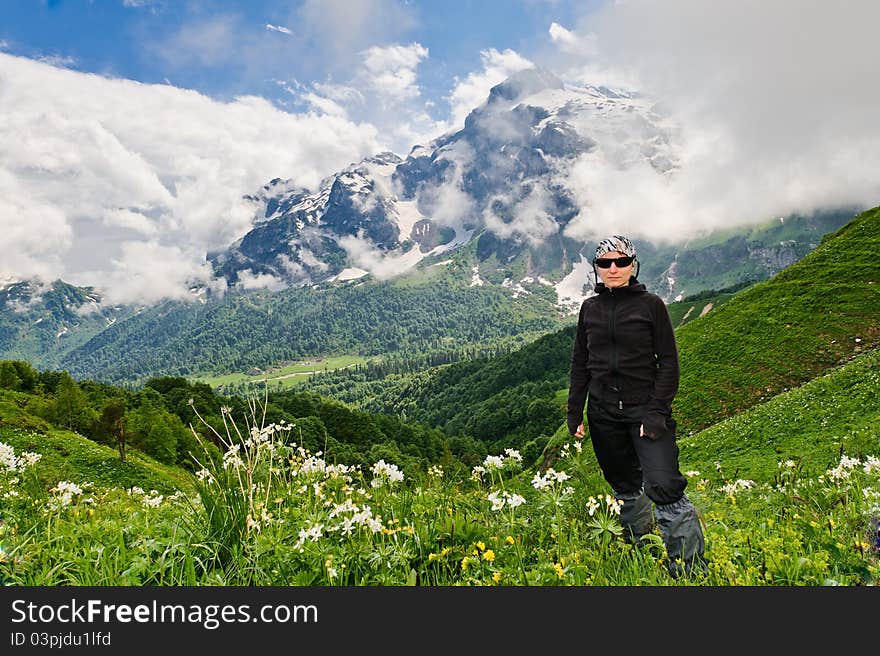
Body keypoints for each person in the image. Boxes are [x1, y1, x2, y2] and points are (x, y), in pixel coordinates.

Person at [566, 234, 707, 578]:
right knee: (624, 484)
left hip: (644, 411)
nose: (613, 269)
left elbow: (669, 363)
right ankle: (639, 553)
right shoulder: (590, 309)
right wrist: (575, 412)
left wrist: (656, 412)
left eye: (620, 262)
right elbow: (581, 362)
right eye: (604, 263)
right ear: (596, 268)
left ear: (633, 265)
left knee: (664, 486)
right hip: (603, 414)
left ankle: (690, 573)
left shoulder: (651, 306)